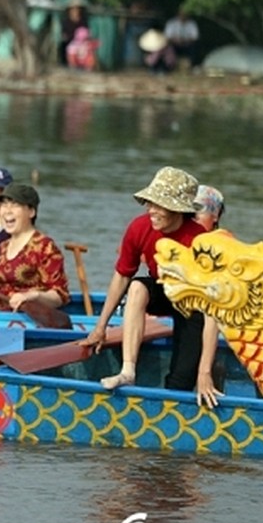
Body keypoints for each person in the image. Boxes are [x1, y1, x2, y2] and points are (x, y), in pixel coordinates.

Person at [79, 167, 219, 403]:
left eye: (158, 205)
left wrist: (204, 371)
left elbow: (212, 310)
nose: (150, 210)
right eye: (149, 203)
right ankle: (128, 371)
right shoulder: (139, 227)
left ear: (178, 209)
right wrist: (100, 327)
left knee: (180, 384)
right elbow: (121, 276)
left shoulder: (201, 242)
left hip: (195, 304)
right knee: (136, 287)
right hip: (162, 290)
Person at [0, 183, 69, 314]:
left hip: (32, 320)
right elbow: (2, 293)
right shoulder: (3, 246)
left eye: (15, 205)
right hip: (1, 318)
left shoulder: (44, 246)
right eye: (4, 204)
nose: (7, 210)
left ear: (31, 212)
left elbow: (60, 295)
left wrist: (31, 296)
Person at [59, 0, 89, 66]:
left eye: (77, 8)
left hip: (81, 43)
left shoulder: (83, 21)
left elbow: (86, 32)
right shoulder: (65, 21)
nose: (75, 11)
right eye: (73, 8)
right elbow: (64, 33)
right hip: (69, 41)